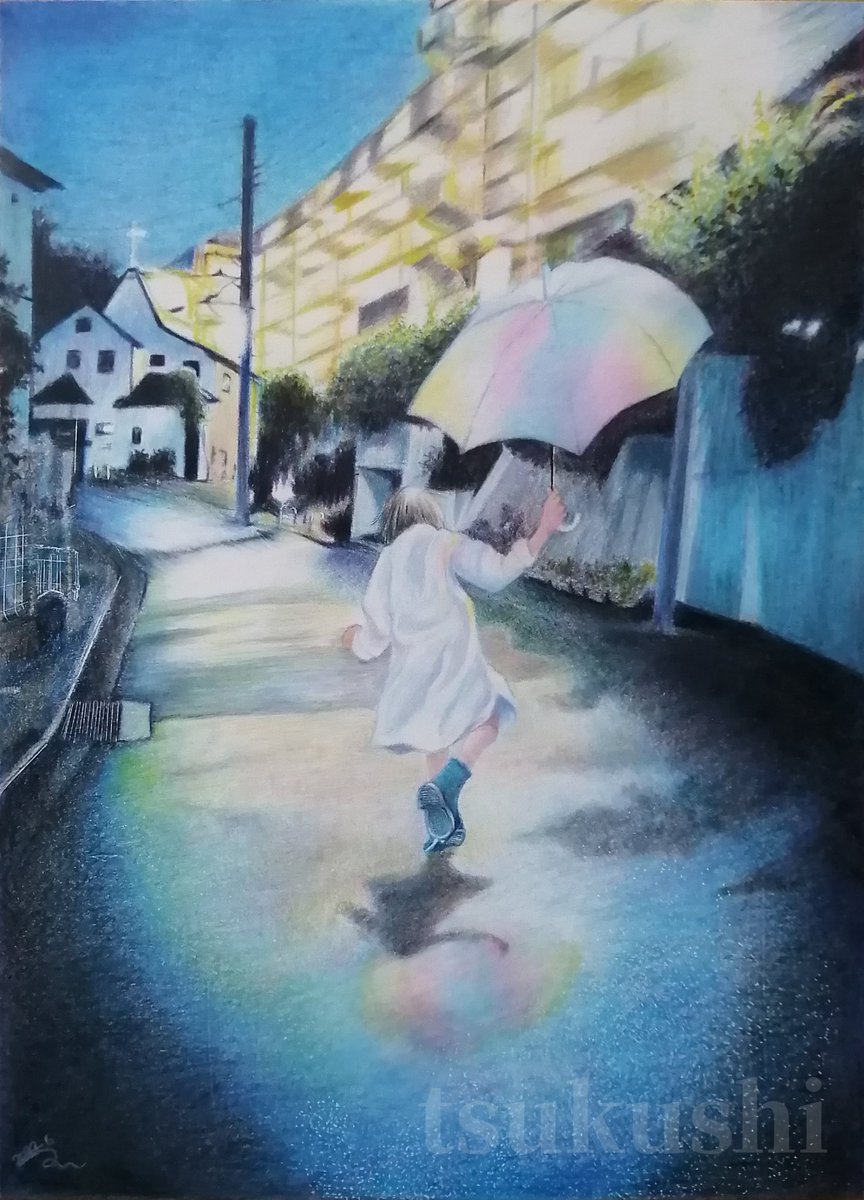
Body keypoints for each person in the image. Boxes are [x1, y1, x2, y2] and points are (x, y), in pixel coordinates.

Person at [341, 486, 566, 853]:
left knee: (435, 738)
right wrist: (542, 531)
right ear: (431, 516)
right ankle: (447, 786)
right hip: (454, 657)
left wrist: (354, 639)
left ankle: (441, 828)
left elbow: (376, 633)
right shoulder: (444, 542)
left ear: (393, 523)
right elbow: (496, 572)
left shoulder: (388, 559)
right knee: (494, 710)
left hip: (413, 669)